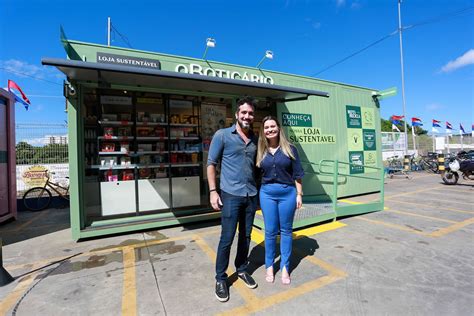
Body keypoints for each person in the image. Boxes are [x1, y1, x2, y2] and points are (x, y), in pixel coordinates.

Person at [207, 96, 259, 302]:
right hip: (230, 195)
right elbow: (211, 163)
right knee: (226, 239)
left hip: (251, 195)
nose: (247, 116)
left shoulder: (255, 140)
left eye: (251, 113)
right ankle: (220, 278)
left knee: (246, 236)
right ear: (237, 114)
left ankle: (242, 269)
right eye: (244, 112)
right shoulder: (222, 135)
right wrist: (213, 191)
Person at [256, 115, 304, 285]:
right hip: (267, 193)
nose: (270, 129)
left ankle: (285, 266)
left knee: (286, 231)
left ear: (278, 128)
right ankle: (269, 265)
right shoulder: (260, 150)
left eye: (272, 126)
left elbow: (297, 173)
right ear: (263, 131)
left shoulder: (291, 149)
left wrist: (299, 194)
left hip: (287, 193)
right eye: (266, 127)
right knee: (269, 231)